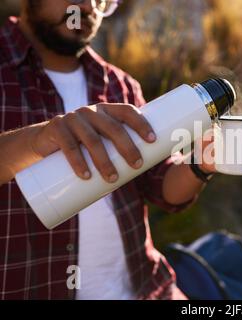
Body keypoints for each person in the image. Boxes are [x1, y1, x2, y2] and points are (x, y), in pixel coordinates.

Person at [0, 0, 216, 300]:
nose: (88, 7)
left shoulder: (120, 85)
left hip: (145, 289)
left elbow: (162, 186)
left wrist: (202, 164)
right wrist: (36, 140)